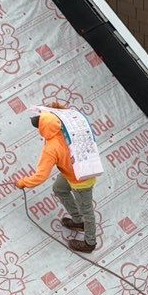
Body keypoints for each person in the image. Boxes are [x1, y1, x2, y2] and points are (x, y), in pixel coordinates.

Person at [12, 105, 105, 253]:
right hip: (72, 170)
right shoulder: (65, 130)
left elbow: (40, 176)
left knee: (87, 211)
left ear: (43, 129)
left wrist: (23, 182)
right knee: (59, 188)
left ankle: (90, 243)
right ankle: (78, 221)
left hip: (81, 180)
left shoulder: (51, 148)